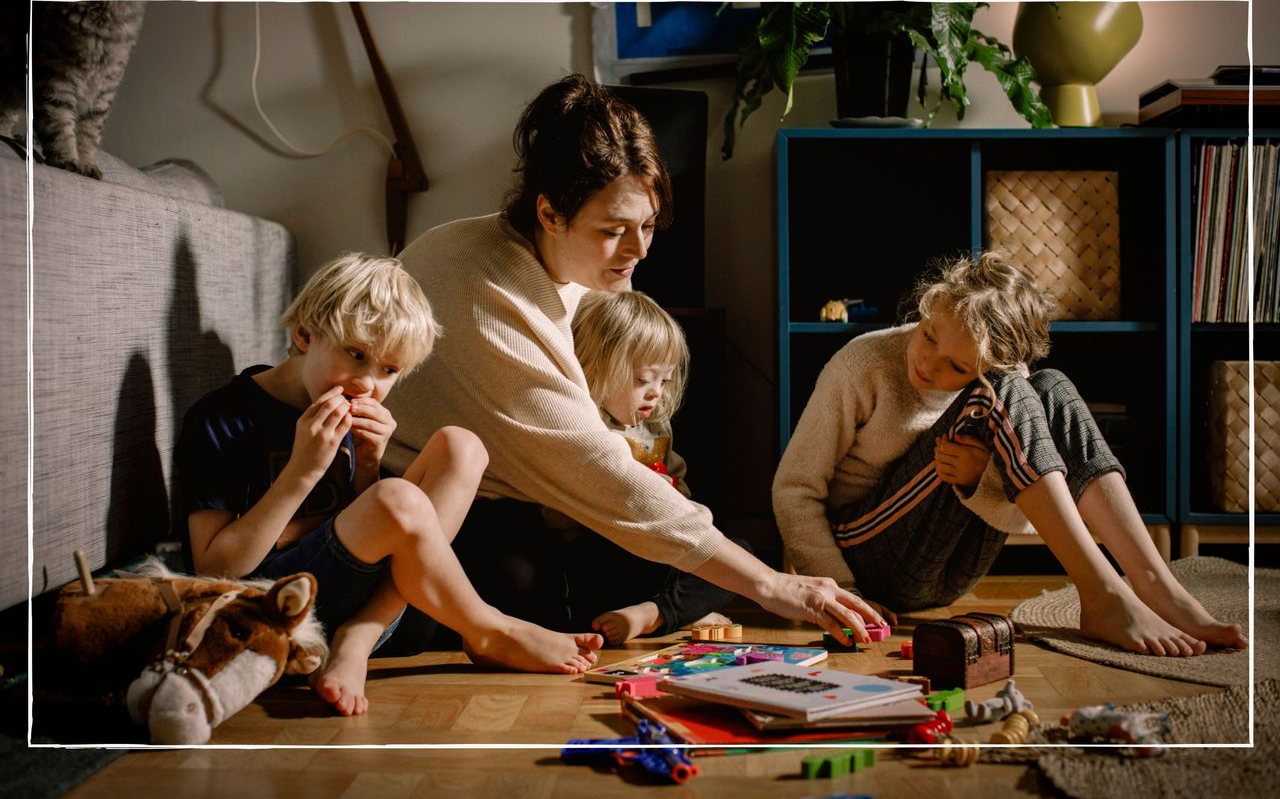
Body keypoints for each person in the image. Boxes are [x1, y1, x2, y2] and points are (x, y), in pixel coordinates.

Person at [382, 73, 884, 646]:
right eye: (614, 230)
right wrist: (773, 586)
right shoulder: (488, 289)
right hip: (445, 514)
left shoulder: (563, 270)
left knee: (698, 552)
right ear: (549, 213)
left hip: (534, 506)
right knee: (532, 581)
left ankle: (650, 607)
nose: (640, 248)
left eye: (646, 226)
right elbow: (596, 469)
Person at [177, 252, 603, 717]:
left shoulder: (350, 405)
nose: (367, 383)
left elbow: (361, 527)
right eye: (356, 355)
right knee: (397, 497)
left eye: (389, 370)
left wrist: (368, 465)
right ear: (304, 335)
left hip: (382, 610)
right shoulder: (222, 418)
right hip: (283, 611)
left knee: (461, 447)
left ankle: (359, 637)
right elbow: (216, 570)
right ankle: (485, 628)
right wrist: (302, 472)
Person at [773, 252, 1247, 657]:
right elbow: (793, 491)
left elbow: (1023, 514)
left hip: (949, 572)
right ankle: (1102, 592)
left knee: (1050, 387)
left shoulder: (1005, 380)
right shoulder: (861, 364)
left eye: (956, 366)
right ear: (926, 307)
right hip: (864, 559)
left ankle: (1155, 584)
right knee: (1001, 394)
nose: (927, 361)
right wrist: (843, 592)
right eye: (929, 334)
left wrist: (983, 478)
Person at [563, 289, 737, 642]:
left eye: (664, 380)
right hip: (600, 555)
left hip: (657, 551)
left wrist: (677, 500)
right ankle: (677, 612)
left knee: (738, 552)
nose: (656, 392)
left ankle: (655, 614)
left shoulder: (655, 424)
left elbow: (679, 484)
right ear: (596, 366)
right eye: (643, 380)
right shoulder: (583, 422)